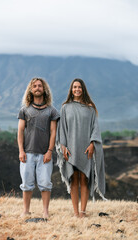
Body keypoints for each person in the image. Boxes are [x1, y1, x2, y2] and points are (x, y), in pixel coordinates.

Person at [56, 78, 106, 218]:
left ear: (83, 89)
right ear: (71, 90)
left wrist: (92, 144)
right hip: (70, 149)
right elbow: (62, 130)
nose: (77, 89)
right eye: (74, 87)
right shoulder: (65, 107)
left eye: (79, 87)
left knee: (84, 179)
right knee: (73, 179)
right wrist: (63, 147)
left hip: (86, 149)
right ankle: (76, 212)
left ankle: (83, 212)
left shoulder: (90, 108)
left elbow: (95, 128)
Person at [17, 77, 59, 218]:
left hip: (44, 154)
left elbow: (54, 132)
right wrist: (21, 151)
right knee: (27, 183)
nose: (37, 88)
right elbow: (20, 131)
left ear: (44, 89)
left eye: (40, 86)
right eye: (34, 86)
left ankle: (45, 212)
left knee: (45, 183)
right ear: (30, 89)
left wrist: (49, 151)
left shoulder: (51, 111)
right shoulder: (25, 110)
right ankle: (26, 210)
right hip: (27, 153)